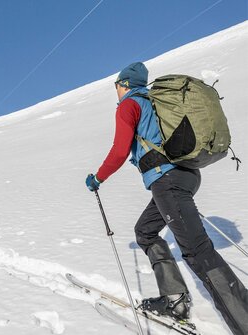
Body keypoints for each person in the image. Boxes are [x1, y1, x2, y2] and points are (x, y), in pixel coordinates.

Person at [86, 62, 248, 334]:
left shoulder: (129, 105)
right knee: (145, 232)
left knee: (198, 253)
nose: (116, 90)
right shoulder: (155, 102)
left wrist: (98, 178)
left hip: (168, 181)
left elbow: (119, 149)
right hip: (184, 176)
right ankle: (175, 301)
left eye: (116, 85)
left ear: (124, 84)